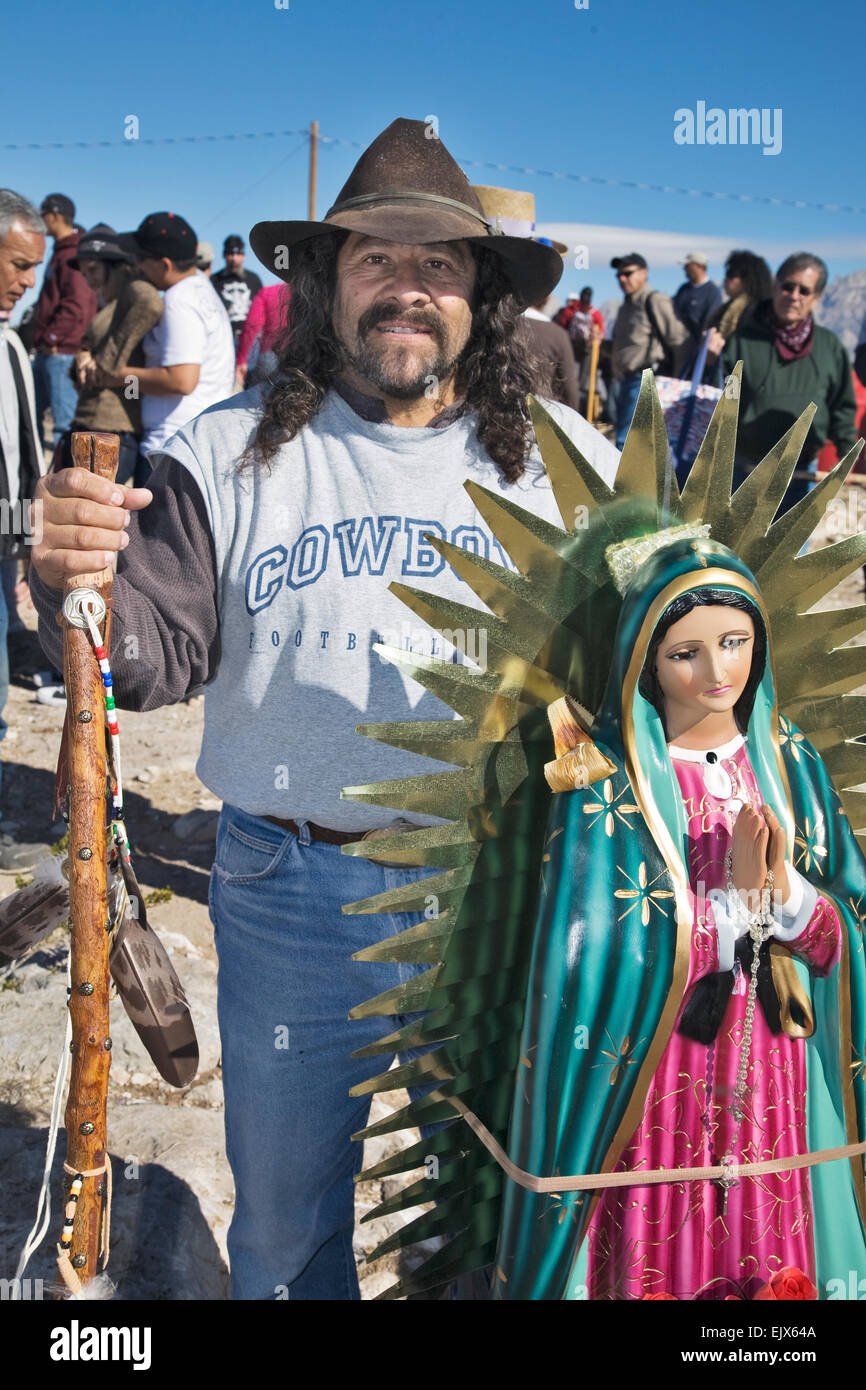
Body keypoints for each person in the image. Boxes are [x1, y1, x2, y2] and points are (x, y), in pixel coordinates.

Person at [29, 116, 619, 1301]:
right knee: (290, 1233)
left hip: (501, 890)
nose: (408, 291)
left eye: (440, 266)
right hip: (289, 890)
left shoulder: (563, 461)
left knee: (501, 1206)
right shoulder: (231, 450)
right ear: (320, 284)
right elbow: (144, 660)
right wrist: (71, 584)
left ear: (481, 298)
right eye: (375, 262)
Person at [492, 535, 866, 1299]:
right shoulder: (608, 781)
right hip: (655, 1069)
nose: (718, 671)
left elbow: (844, 930)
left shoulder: (789, 762)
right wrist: (729, 912)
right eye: (686, 653)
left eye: (735, 643)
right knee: (663, 1247)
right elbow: (587, 949)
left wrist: (786, 900)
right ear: (644, 661)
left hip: (770, 1069)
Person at [99, 212, 234, 486]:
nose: (136, 266)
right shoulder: (202, 291)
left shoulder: (179, 300)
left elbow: (182, 380)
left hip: (168, 447)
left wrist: (115, 375)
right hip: (189, 441)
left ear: (165, 264)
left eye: (140, 259)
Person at [720, 253, 857, 513]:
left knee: (787, 549)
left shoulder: (829, 347)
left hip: (801, 471)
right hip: (746, 468)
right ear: (775, 287)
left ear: (816, 298)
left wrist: (846, 456)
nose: (794, 295)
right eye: (788, 286)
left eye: (804, 290)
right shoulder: (742, 340)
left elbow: (842, 406)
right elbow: (722, 400)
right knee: (737, 551)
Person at [0, 190, 53, 867]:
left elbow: (23, 454)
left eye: (32, 269)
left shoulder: (12, 345)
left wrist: (26, 537)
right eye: (15, 264)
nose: (24, 283)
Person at [62, 224, 163, 483]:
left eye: (93, 269)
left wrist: (105, 362)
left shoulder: (131, 288)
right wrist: (84, 355)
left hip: (112, 426)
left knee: (90, 514)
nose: (88, 279)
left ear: (114, 264)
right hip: (90, 422)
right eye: (84, 273)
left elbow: (150, 304)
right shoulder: (109, 301)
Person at [31, 194, 97, 447]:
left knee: (63, 425)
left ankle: (66, 482)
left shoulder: (72, 254)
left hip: (62, 352)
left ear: (56, 216)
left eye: (43, 214)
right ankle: (35, 473)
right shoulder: (61, 251)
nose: (40, 220)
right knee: (32, 414)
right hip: (51, 352)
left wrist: (52, 339)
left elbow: (76, 305)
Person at [609, 253, 690, 448]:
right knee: (628, 440)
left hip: (644, 379)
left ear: (644, 273)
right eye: (619, 275)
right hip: (623, 381)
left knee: (625, 442)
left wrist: (679, 382)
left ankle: (620, 479)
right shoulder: (625, 306)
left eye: (627, 273)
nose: (622, 278)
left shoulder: (655, 300)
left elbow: (680, 340)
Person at [233, 282, 288, 390]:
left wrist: (241, 360)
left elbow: (252, 326)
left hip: (269, 355)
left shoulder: (267, 292)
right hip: (301, 355)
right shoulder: (307, 294)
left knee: (258, 398)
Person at [211, 235, 263, 347]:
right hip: (223, 339)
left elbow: (262, 310)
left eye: (238, 254)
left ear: (243, 256)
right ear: (224, 255)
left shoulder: (253, 279)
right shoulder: (214, 280)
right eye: (231, 254)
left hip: (250, 340)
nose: (234, 258)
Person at [673, 250, 722, 346]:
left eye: (687, 266)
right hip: (678, 346)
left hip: (698, 346)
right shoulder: (683, 289)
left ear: (699, 266)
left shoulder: (712, 292)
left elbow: (709, 323)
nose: (684, 269)